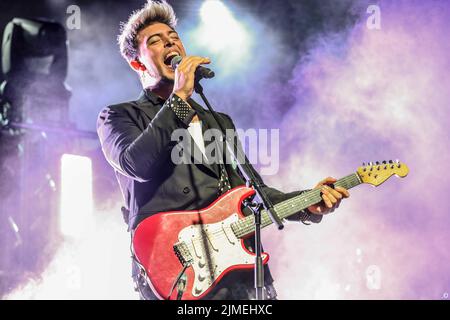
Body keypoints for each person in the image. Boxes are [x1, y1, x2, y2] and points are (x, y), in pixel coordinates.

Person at [97, 0, 349, 300]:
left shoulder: (217, 121)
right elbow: (137, 163)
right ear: (137, 63)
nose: (169, 42)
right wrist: (178, 98)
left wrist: (308, 204)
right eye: (155, 41)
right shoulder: (119, 116)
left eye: (173, 37)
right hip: (178, 276)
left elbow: (253, 192)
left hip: (240, 277)